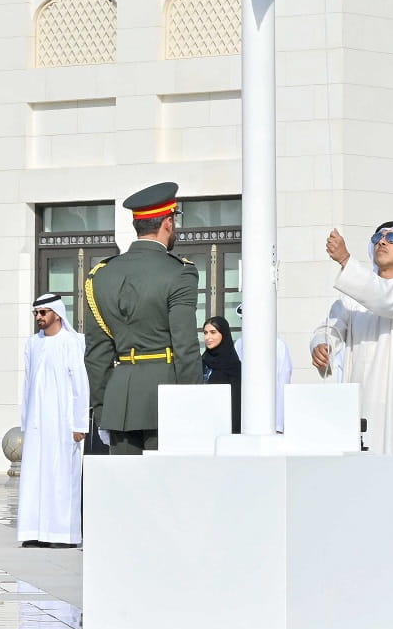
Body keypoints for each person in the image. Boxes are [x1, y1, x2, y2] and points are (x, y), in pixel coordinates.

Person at [84, 183, 201, 454]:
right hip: (166, 396)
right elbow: (185, 346)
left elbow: (97, 353)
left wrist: (103, 409)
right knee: (166, 489)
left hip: (119, 399)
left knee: (126, 490)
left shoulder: (101, 274)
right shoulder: (179, 273)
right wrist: (194, 403)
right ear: (168, 222)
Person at [309, 220, 393, 455]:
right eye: (377, 238)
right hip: (359, 398)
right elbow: (331, 327)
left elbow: (387, 298)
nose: (382, 241)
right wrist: (321, 344)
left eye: (392, 238)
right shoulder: (355, 297)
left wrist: (345, 261)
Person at [18, 294, 89, 548]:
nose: (39, 317)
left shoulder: (71, 342)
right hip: (37, 424)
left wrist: (80, 423)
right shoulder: (32, 344)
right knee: (35, 476)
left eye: (43, 313)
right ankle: (35, 531)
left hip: (63, 422)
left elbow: (80, 384)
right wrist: (25, 422)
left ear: (57, 314)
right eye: (36, 313)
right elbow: (27, 384)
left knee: (61, 476)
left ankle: (63, 535)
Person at [232, 305, 293, 433]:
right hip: (246, 416)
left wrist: (279, 425)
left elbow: (283, 385)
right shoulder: (239, 344)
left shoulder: (278, 345)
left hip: (269, 415)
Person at [200, 315, 242, 432]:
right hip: (203, 422)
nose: (208, 337)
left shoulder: (233, 366)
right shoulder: (202, 361)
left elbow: (236, 403)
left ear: (223, 334)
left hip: (225, 426)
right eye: (205, 333)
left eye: (213, 332)